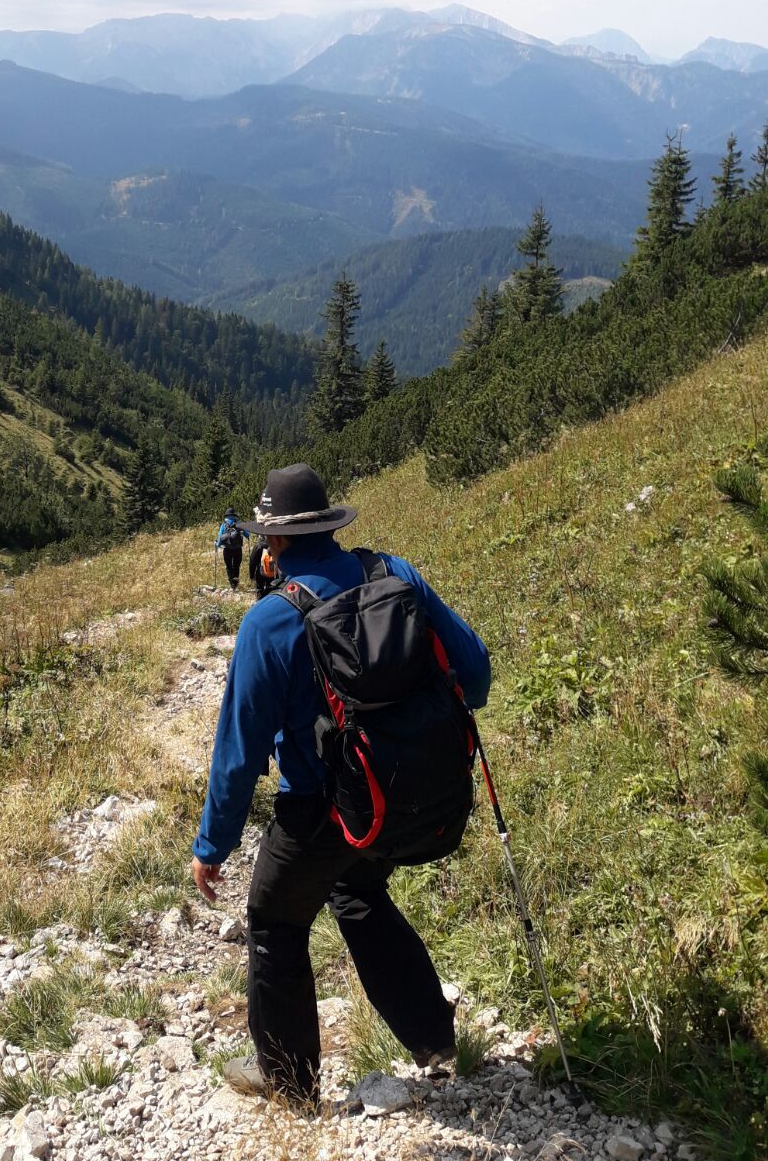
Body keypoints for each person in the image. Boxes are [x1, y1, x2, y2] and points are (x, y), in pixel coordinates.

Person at [189, 462, 491, 1106]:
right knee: (357, 891)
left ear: (273, 540)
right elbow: (476, 672)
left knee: (274, 921)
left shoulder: (269, 622)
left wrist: (212, 845)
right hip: (398, 793)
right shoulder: (394, 574)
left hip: (320, 811)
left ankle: (288, 1083)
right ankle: (433, 1036)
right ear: (327, 525)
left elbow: (239, 753)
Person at [215, 507, 245, 589]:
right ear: (234, 515)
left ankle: (231, 584)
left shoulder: (223, 525)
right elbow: (247, 534)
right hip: (238, 549)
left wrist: (216, 544)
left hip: (227, 549)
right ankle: (236, 584)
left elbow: (220, 539)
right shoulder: (239, 524)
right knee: (236, 566)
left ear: (226, 515)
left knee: (229, 566)